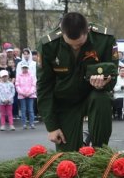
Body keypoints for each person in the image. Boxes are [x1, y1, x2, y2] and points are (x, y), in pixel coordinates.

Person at [37, 12, 117, 151]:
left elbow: (113, 75)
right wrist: (52, 127)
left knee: (102, 98)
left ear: (87, 32)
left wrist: (105, 83)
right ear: (62, 33)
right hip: (65, 102)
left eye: (79, 44)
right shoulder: (49, 45)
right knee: (68, 159)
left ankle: (100, 151)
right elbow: (44, 87)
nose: (75, 47)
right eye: (71, 45)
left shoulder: (104, 40)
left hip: (92, 96)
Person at [15, 63, 37, 129]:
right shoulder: (19, 76)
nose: (25, 69)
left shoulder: (31, 75)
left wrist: (30, 93)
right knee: (23, 110)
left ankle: (32, 123)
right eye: (24, 68)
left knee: (30, 110)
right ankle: (24, 124)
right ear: (22, 68)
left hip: (30, 95)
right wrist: (22, 93)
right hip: (22, 95)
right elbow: (17, 85)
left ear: (28, 68)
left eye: (26, 68)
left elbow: (34, 85)